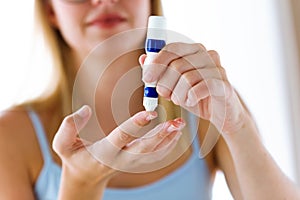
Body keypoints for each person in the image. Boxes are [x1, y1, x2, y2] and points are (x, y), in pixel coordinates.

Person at [0, 0, 299, 199]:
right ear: (51, 10)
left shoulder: (206, 103)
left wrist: (238, 126)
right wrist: (80, 184)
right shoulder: (11, 138)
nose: (104, 0)